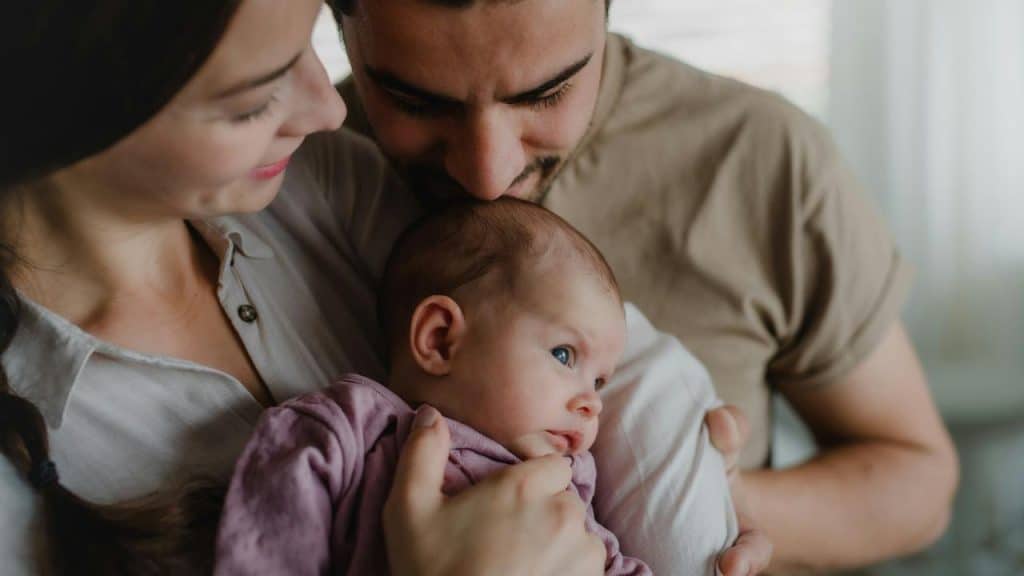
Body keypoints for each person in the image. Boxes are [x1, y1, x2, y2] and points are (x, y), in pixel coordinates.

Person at [1, 2, 766, 575]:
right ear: (76, 103)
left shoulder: (327, 184)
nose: (331, 107)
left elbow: (613, 351)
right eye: (256, 95)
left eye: (309, 44)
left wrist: (699, 534)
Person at [330, 0, 960, 572]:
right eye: (417, 103)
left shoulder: (761, 157)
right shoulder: (287, 173)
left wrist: (716, 498)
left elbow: (919, 480)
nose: (488, 174)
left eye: (546, 93)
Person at [216, 198, 718, 574]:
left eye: (601, 381)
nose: (591, 403)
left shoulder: (565, 485)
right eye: (564, 355)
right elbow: (266, 543)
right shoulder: (349, 430)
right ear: (440, 340)